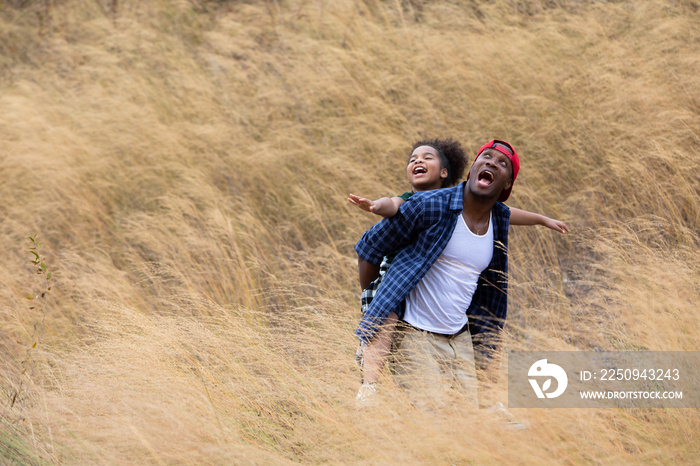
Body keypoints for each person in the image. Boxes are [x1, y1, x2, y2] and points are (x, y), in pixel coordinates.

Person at [351, 139, 551, 410]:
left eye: (502, 162)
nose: (492, 162)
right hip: (415, 332)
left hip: (459, 336)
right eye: (486, 157)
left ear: (507, 184)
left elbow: (512, 216)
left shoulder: (498, 219)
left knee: (465, 423)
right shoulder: (428, 204)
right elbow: (371, 245)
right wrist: (378, 291)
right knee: (430, 415)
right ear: (472, 170)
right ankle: (369, 386)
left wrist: (543, 219)